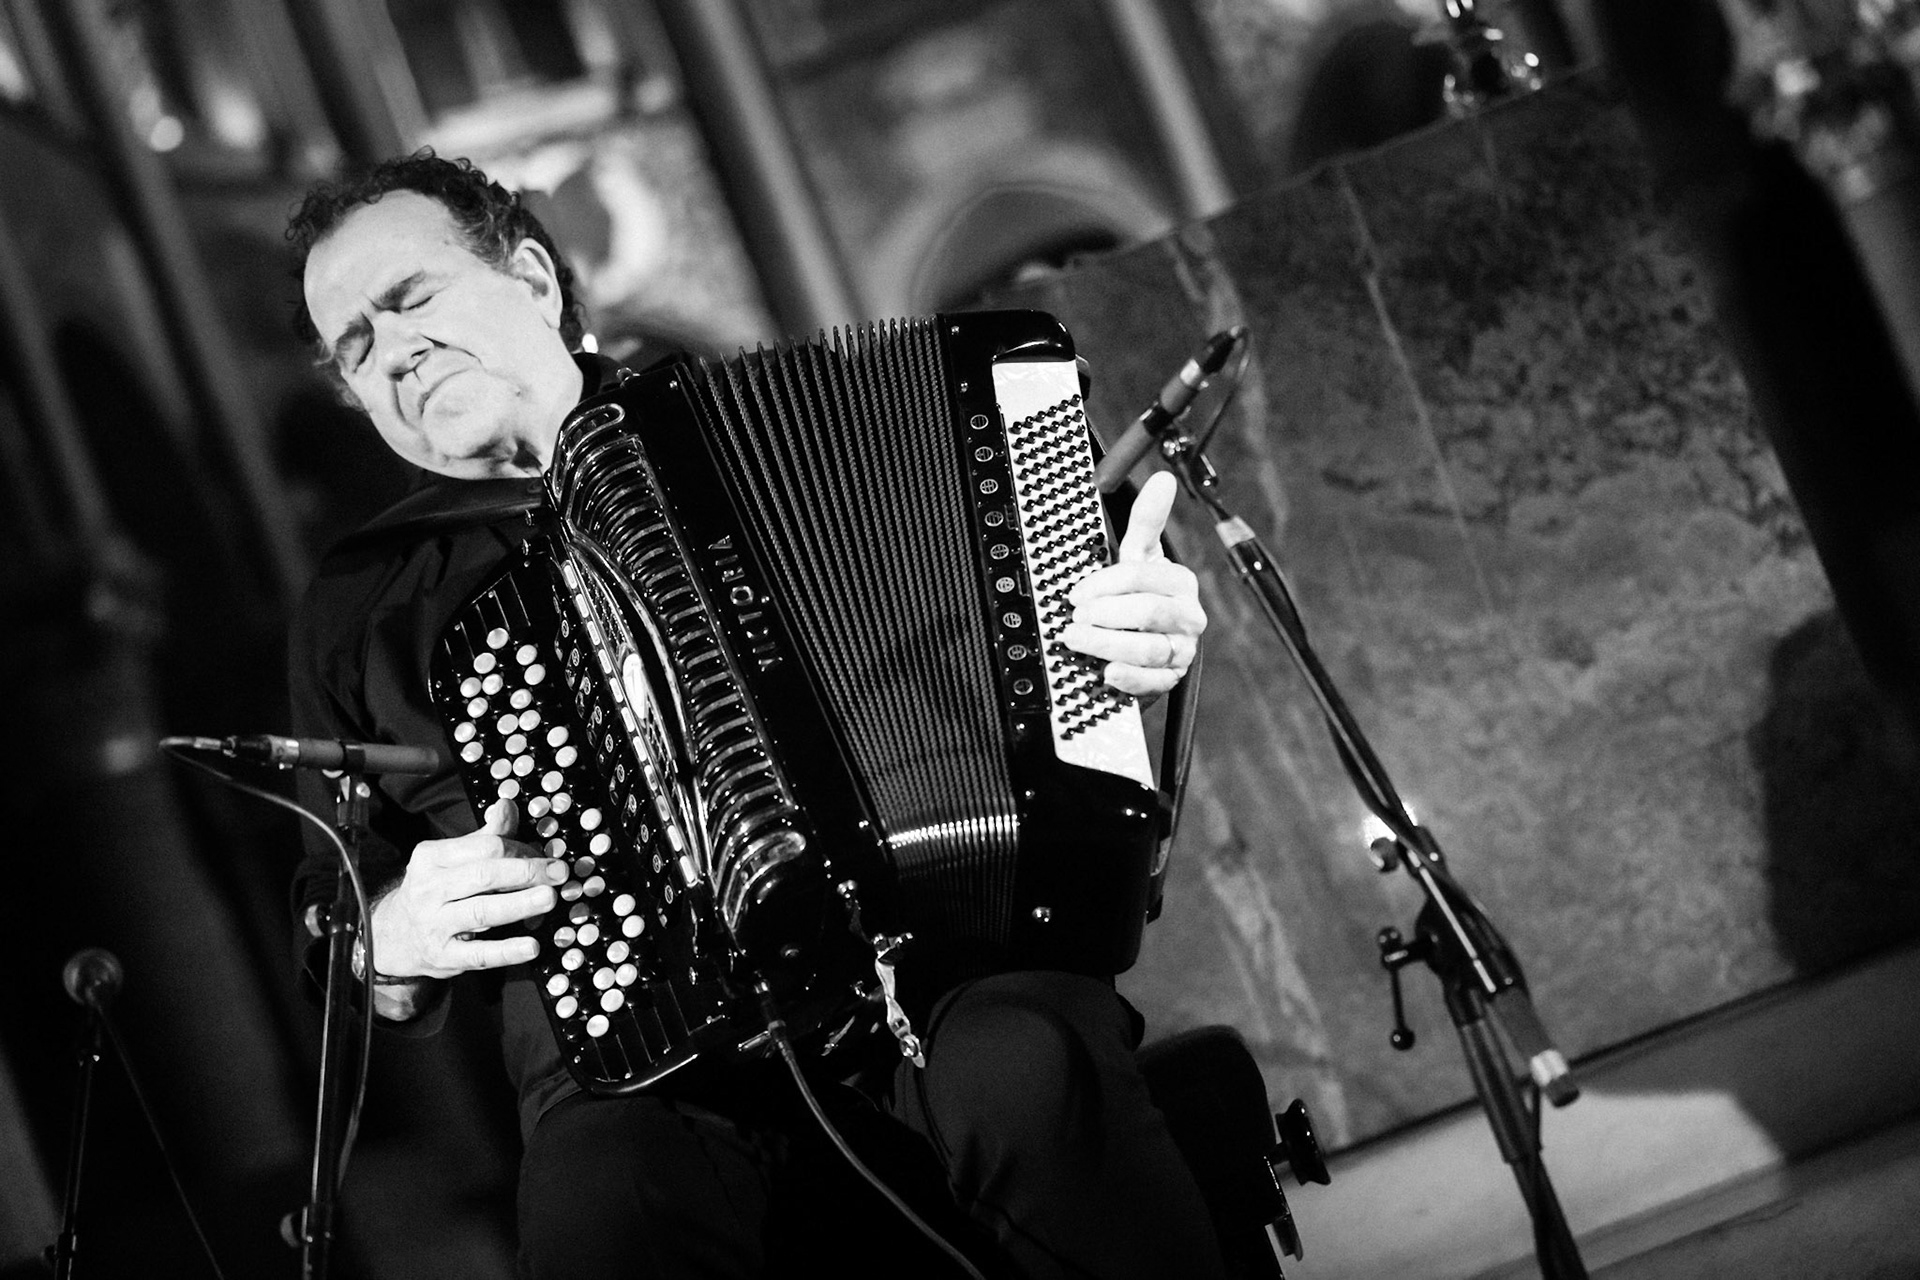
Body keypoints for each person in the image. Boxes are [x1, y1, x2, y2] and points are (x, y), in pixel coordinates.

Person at [286, 151, 1219, 1279]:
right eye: (356, 346)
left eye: (412, 298)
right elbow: (331, 901)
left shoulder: (798, 426)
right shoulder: (363, 606)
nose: (394, 351)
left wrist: (1131, 636)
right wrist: (390, 933)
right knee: (602, 1211)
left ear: (530, 278)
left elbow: (1058, 614)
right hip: (638, 1067)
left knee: (1024, 1070)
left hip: (938, 958)